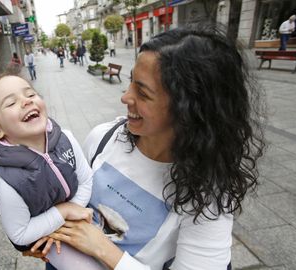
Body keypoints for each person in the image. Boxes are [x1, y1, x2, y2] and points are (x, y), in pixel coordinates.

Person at [35, 24, 265, 270]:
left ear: (188, 109)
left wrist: (102, 248)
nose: (125, 97)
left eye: (142, 93)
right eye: (131, 81)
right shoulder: (104, 137)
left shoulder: (206, 194)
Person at [0, 74, 106, 270]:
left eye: (30, 94)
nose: (26, 101)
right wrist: (65, 211)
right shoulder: (7, 181)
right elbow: (20, 233)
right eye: (11, 103)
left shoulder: (67, 140)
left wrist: (71, 213)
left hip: (77, 223)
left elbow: (86, 180)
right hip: (51, 243)